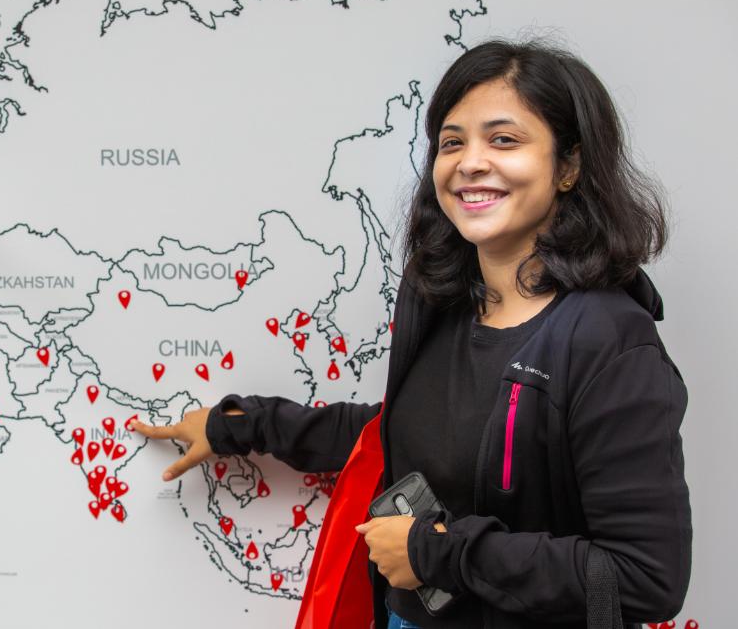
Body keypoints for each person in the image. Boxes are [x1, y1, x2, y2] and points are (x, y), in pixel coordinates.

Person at [132, 39, 692, 629]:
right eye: (452, 142)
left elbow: (645, 578)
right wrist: (239, 425)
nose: (469, 162)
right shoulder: (441, 302)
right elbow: (400, 434)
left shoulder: (611, 341)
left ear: (569, 167)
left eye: (504, 139)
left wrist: (434, 552)